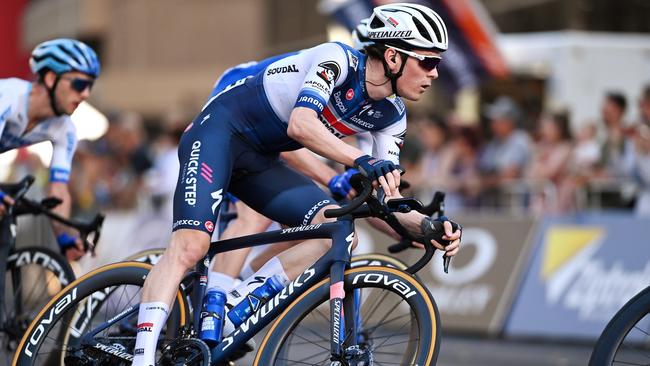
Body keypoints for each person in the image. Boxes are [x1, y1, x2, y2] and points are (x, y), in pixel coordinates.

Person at [132, 4, 462, 365]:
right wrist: (358, 162)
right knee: (191, 246)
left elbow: (389, 198)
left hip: (262, 160)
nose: (434, 74)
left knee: (333, 228)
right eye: (428, 62)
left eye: (438, 64)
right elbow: (301, 126)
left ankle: (231, 307)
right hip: (219, 134)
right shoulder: (335, 59)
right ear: (393, 57)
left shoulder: (392, 114)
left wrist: (426, 228)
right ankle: (143, 356)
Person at [0, 38, 101, 262]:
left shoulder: (65, 129)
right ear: (50, 78)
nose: (85, 94)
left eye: (90, 86)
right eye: (79, 84)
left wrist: (64, 236)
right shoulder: (7, 97)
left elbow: (59, 191)